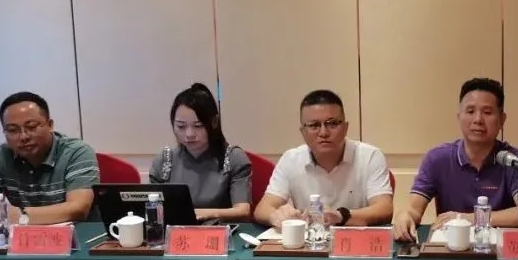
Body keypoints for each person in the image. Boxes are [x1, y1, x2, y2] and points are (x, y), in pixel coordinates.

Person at [393, 78, 518, 241]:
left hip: (499, 250)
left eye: (487, 112)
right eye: (470, 111)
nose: (478, 119)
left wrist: (468, 219)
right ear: (459, 117)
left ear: (502, 119)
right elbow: (413, 209)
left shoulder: (513, 159)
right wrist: (404, 216)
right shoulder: (437, 159)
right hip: (452, 249)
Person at [253, 89, 393, 227]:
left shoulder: (370, 156)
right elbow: (262, 209)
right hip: (309, 239)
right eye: (314, 125)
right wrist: (276, 215)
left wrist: (340, 216)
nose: (323, 133)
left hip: (354, 238)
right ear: (303, 131)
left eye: (332, 124)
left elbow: (384, 209)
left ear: (345, 127)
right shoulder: (291, 159)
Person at [0, 91, 99, 225]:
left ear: (50, 125)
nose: (23, 136)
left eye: (31, 127)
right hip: (21, 237)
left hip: (78, 236)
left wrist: (19, 215)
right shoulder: (0, 155)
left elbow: (78, 208)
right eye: (12, 130)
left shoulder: (77, 152)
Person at [149, 83, 252, 223]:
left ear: (214, 122)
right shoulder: (164, 161)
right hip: (175, 232)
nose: (189, 134)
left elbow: (242, 210)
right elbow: (152, 208)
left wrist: (197, 213)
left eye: (198, 126)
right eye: (181, 126)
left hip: (220, 232)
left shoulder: (234, 158)